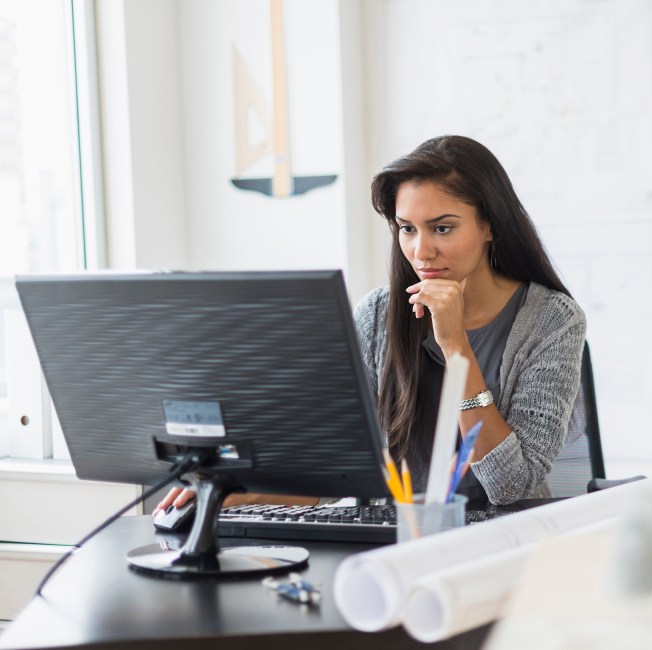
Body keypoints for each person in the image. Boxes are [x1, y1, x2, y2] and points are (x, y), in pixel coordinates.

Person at [155, 134, 585, 513]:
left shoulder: (552, 321)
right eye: (407, 229)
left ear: (490, 224)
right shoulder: (379, 314)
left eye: (442, 228)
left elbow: (511, 487)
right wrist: (248, 493)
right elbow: (338, 468)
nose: (421, 251)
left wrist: (456, 349)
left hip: (500, 550)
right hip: (392, 545)